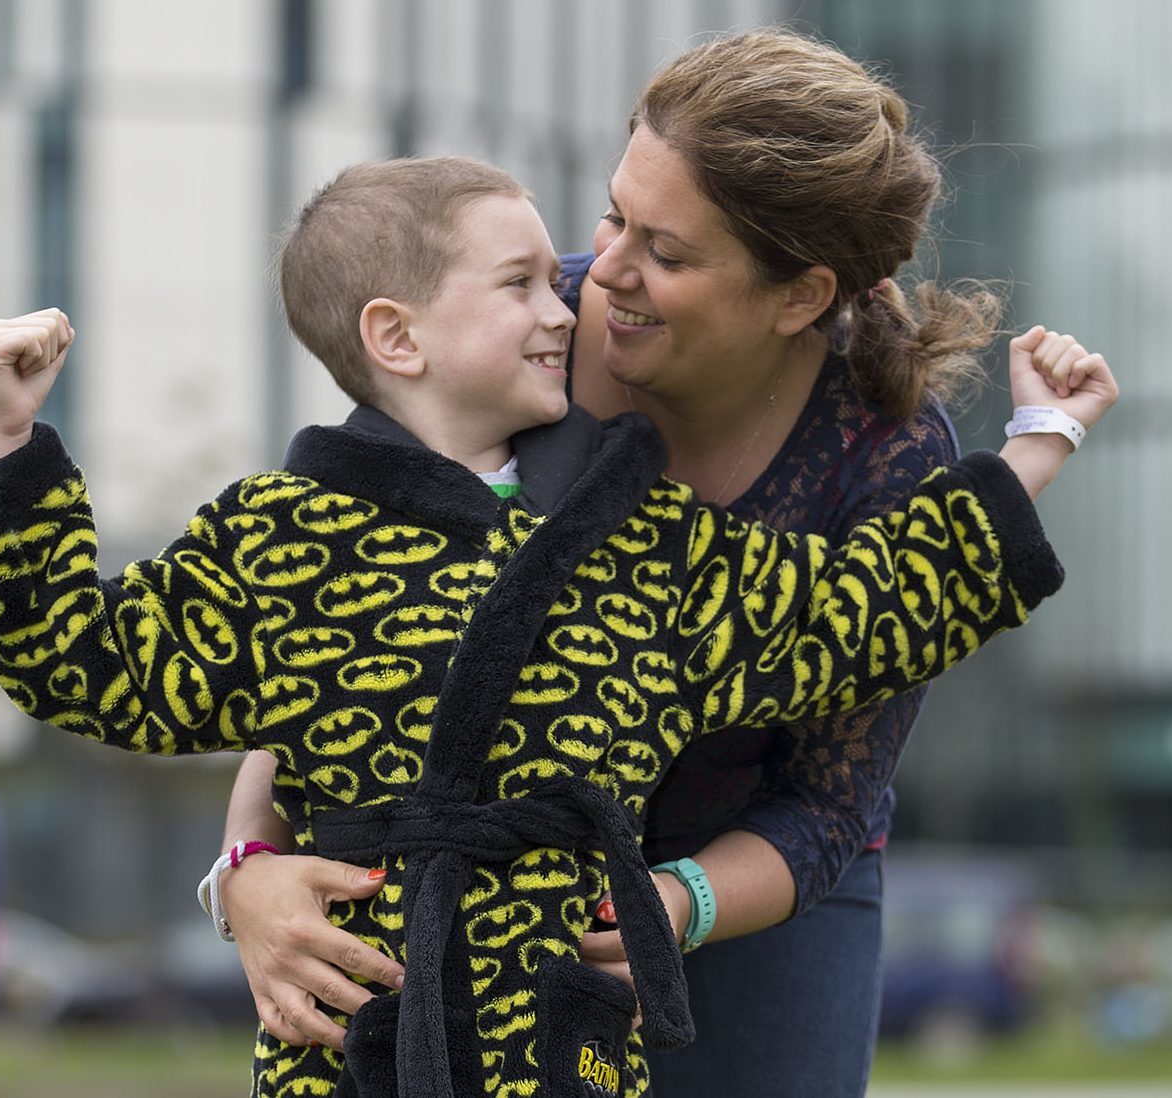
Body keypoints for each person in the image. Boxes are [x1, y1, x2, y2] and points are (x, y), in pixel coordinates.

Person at [0, 153, 1108, 1097]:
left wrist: (1037, 445)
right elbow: (88, 662)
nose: (576, 297)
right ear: (397, 337)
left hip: (562, 1031)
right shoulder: (280, 538)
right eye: (529, 283)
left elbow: (855, 613)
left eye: (563, 274)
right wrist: (12, 444)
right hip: (354, 1032)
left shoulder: (641, 544)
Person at [216, 28, 1114, 1097]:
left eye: (671, 254)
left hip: (752, 881)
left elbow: (828, 804)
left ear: (797, 295)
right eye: (614, 216)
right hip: (492, 869)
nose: (608, 275)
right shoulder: (520, 344)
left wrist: (668, 905)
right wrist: (248, 874)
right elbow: (337, 625)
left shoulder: (888, 455)